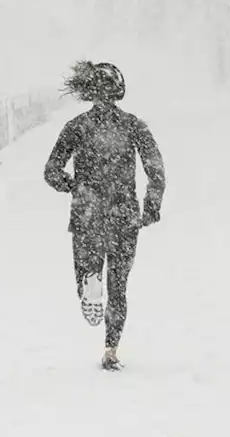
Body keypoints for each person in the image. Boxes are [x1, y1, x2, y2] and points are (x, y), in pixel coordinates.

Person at [43, 60, 165, 371]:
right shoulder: (134, 125)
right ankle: (111, 349)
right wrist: (150, 207)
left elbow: (51, 171)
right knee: (119, 286)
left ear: (88, 92)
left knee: (86, 274)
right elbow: (156, 170)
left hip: (88, 212)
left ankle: (89, 281)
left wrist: (74, 186)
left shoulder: (76, 127)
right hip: (123, 213)